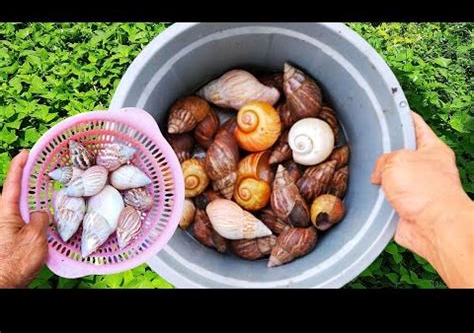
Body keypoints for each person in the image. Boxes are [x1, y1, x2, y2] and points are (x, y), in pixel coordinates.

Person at [0, 112, 472, 288]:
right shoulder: (237, 185)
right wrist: (439, 216)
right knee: (252, 170)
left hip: (246, 187)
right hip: (238, 188)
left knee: (263, 170)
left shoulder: (265, 190)